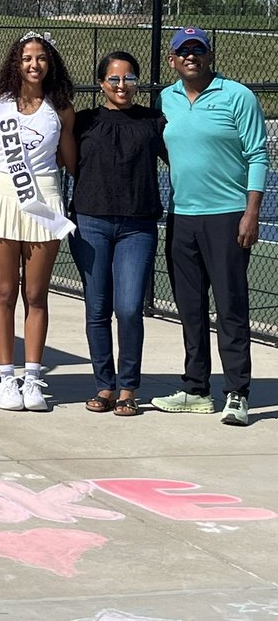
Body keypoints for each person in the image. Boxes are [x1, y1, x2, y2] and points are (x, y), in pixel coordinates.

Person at [153, 27, 266, 427]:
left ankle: (237, 392)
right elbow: (166, 148)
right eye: (183, 51)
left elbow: (258, 155)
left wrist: (251, 212)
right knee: (190, 307)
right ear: (172, 60)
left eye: (197, 50)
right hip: (182, 216)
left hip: (228, 216)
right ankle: (196, 389)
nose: (191, 56)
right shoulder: (166, 99)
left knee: (231, 306)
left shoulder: (237, 96)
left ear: (209, 55)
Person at [0, 32, 76, 412]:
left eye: (41, 58)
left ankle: (32, 379)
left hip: (43, 201)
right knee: (3, 293)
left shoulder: (61, 109)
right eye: (27, 58)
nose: (34, 64)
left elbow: (71, 161)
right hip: (0, 199)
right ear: (16, 62)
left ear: (50, 63)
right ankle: (6, 378)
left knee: (35, 295)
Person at [70, 51, 165, 418]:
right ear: (101, 84)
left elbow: (183, 157)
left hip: (137, 227)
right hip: (90, 223)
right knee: (97, 308)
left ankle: (128, 388)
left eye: (129, 78)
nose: (122, 85)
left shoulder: (153, 121)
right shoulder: (83, 121)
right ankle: (104, 386)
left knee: (128, 308)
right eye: (114, 79)